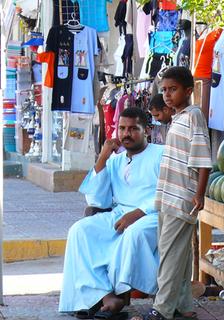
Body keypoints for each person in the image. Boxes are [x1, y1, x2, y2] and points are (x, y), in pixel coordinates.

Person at [59, 107, 164, 319]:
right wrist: (103, 157)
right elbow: (97, 200)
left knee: (134, 234)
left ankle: (119, 294)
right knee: (80, 230)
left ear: (147, 131)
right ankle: (105, 295)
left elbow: (168, 192)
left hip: (153, 214)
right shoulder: (115, 159)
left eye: (133, 128)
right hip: (120, 214)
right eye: (122, 128)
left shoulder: (161, 154)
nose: (126, 133)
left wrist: (138, 213)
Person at [137, 66, 212, 320]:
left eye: (173, 89)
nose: (167, 95)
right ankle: (183, 305)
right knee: (178, 253)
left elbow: (203, 161)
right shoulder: (177, 118)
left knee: (169, 254)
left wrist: (199, 195)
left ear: (188, 91)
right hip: (168, 196)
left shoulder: (193, 116)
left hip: (183, 197)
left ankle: (162, 309)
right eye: (164, 90)